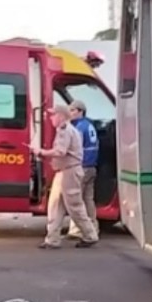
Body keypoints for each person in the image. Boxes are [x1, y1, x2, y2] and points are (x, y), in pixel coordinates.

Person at [31, 105, 99, 249]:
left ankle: (90, 234)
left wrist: (41, 152)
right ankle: (52, 239)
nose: (50, 118)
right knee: (55, 206)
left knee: (74, 206)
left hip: (69, 172)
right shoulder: (66, 130)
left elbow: (60, 152)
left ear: (61, 116)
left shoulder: (64, 131)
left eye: (53, 115)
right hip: (65, 172)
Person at [66, 99, 100, 239]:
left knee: (76, 199)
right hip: (92, 166)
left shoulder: (78, 127)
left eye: (73, 110)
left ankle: (78, 230)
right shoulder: (89, 125)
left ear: (80, 111)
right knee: (88, 199)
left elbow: (75, 147)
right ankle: (93, 227)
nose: (70, 113)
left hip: (82, 166)